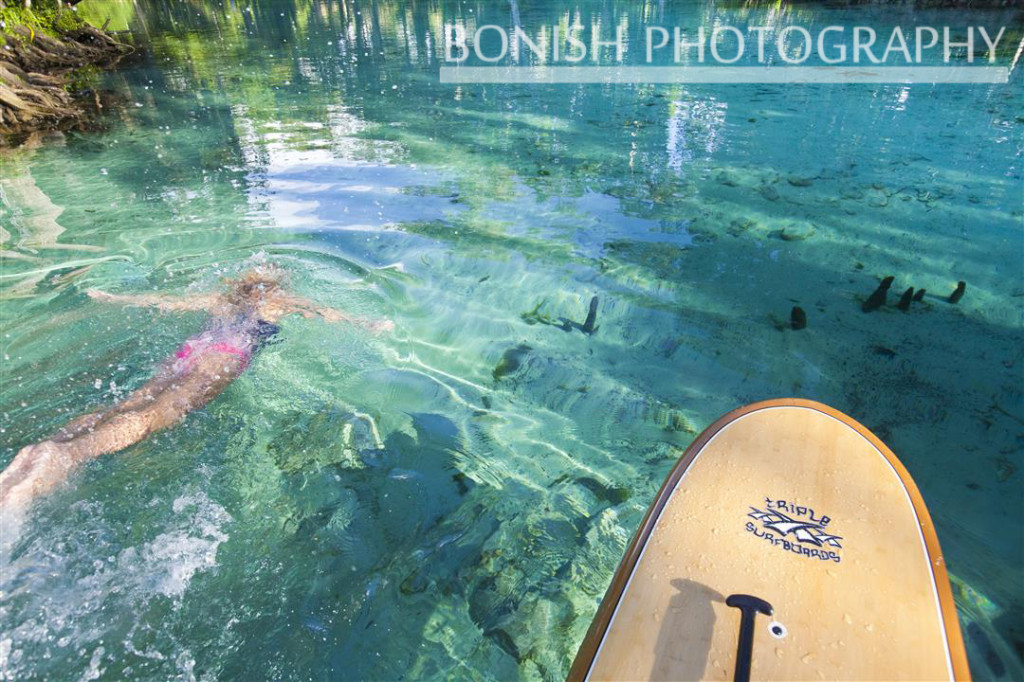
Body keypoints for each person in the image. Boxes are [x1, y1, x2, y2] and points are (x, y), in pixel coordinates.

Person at [0, 265, 392, 526]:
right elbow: (326, 314)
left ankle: (48, 446)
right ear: (275, 287)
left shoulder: (222, 301)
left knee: (131, 401)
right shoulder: (278, 303)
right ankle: (69, 456)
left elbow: (163, 302)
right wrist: (371, 323)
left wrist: (113, 298)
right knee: (156, 415)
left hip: (190, 352)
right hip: (222, 357)